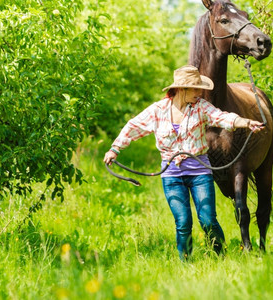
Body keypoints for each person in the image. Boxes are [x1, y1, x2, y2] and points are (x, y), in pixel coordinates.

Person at [103, 65, 264, 260]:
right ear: (182, 89)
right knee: (183, 222)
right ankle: (185, 263)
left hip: (199, 174)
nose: (199, 92)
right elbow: (133, 126)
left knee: (207, 220)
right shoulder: (158, 110)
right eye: (195, 88)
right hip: (172, 176)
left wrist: (245, 122)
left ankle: (220, 256)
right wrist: (114, 149)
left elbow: (221, 117)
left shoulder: (201, 108)